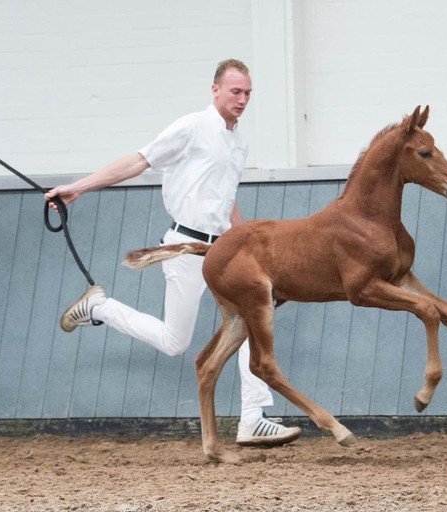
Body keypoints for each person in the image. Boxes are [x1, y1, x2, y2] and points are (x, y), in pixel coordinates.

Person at [46, 58, 300, 448]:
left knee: (254, 319)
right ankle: (98, 308)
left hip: (224, 252)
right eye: (236, 91)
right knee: (174, 342)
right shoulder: (191, 127)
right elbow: (137, 161)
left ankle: (253, 418)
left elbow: (226, 199)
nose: (243, 99)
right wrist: (79, 187)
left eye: (248, 93)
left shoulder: (239, 141)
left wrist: (246, 242)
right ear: (215, 90)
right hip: (184, 246)